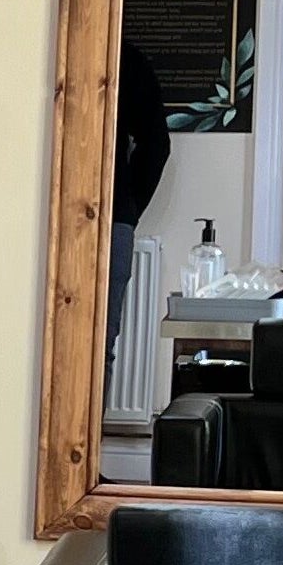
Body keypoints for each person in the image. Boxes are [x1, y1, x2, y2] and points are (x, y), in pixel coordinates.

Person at [105, 39, 172, 407]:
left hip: (111, 215)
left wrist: (127, 210)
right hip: (116, 215)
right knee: (102, 344)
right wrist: (128, 208)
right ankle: (84, 459)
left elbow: (156, 146)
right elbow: (156, 145)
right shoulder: (126, 57)